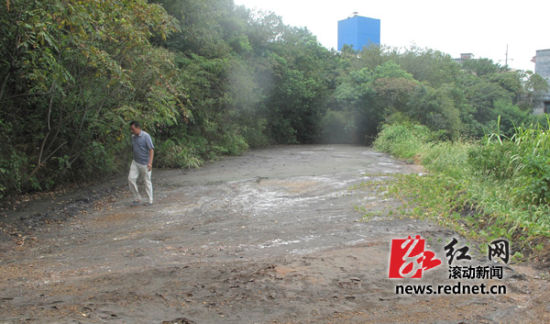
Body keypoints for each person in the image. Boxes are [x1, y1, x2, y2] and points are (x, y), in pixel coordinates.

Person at [128, 121, 154, 206]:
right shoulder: (133, 137)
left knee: (147, 181)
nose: (132, 131)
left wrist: (150, 163)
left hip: (145, 163)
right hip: (135, 162)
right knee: (131, 179)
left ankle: (150, 200)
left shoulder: (146, 136)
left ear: (138, 128)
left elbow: (151, 150)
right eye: (131, 129)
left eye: (133, 129)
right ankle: (137, 198)